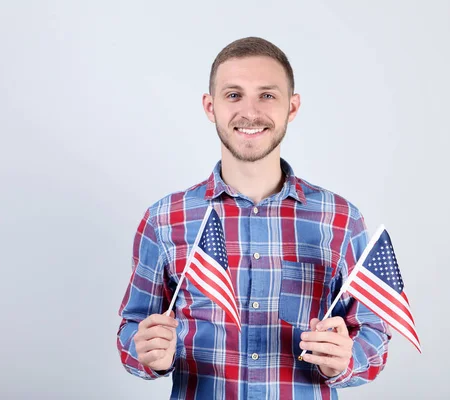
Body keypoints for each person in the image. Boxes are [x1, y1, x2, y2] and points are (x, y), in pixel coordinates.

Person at [116, 37, 391, 399]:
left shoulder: (340, 219)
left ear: (292, 107)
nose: (250, 112)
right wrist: (148, 353)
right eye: (233, 95)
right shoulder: (164, 219)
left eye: (267, 95)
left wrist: (345, 359)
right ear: (209, 106)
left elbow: (373, 332)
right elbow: (132, 329)